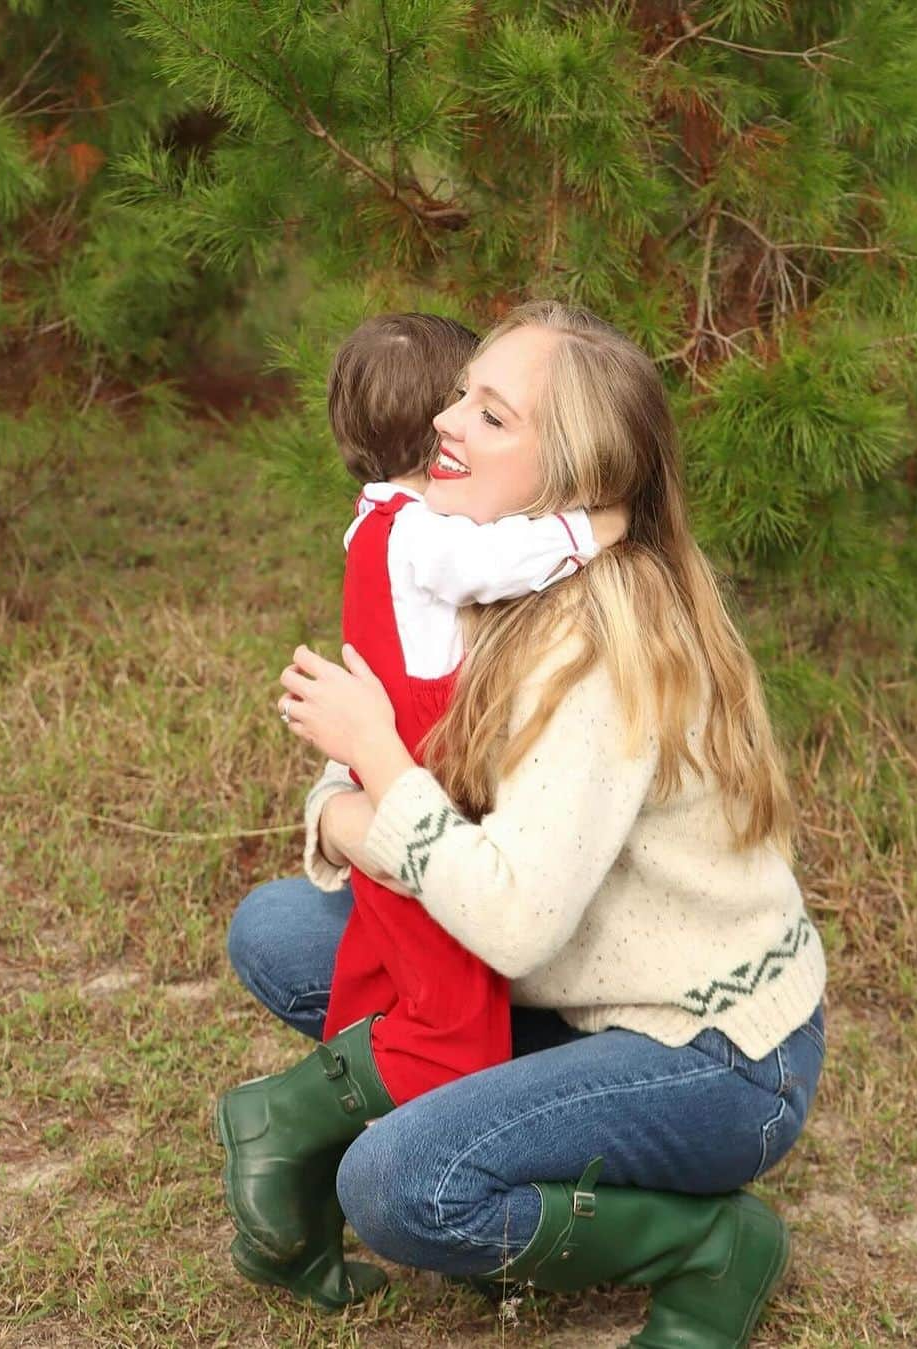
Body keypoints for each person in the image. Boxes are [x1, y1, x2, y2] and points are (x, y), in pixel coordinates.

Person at [226, 300, 827, 1347]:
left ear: (577, 474)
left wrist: (374, 769)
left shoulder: (603, 643)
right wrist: (355, 789)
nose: (448, 421)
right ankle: (431, 1112)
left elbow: (509, 918)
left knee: (400, 1183)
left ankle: (710, 1244)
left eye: (492, 414)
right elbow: (348, 788)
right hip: (557, 981)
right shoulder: (478, 567)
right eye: (463, 393)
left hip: (708, 1044)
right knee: (278, 931)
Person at [218, 312, 628, 1304]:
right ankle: (282, 1123)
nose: (466, 421)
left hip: (396, 796)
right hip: (417, 804)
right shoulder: (426, 535)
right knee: (453, 1030)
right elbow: (511, 561)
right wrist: (599, 523)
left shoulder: (373, 524)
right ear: (442, 428)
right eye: (468, 403)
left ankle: (302, 1218)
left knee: (373, 1004)